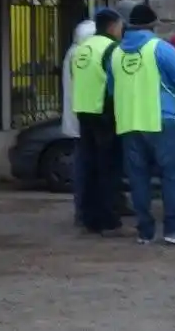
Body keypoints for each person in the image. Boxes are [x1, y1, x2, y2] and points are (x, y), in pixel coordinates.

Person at [108, 3, 175, 246]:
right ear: (152, 25)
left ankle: (145, 231)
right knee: (172, 175)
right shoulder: (160, 47)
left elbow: (111, 89)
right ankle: (173, 227)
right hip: (163, 121)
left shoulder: (116, 54)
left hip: (129, 122)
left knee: (138, 179)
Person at [71, 9, 130, 236]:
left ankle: (89, 219)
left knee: (89, 168)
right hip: (105, 114)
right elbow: (118, 83)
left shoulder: (82, 48)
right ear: (113, 26)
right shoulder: (112, 49)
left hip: (83, 112)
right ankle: (109, 220)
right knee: (109, 169)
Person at [62, 19, 96, 227]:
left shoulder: (72, 53)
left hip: (77, 119)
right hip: (85, 119)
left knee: (84, 166)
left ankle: (83, 210)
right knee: (86, 168)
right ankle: (84, 211)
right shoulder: (82, 55)